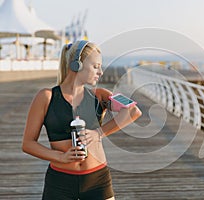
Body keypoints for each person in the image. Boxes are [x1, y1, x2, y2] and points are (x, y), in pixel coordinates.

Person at [22, 40, 142, 200]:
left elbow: (133, 110)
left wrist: (98, 133)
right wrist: (59, 157)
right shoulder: (47, 97)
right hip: (59, 182)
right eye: (95, 66)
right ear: (77, 65)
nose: (100, 72)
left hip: (97, 180)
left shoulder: (100, 96)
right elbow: (28, 144)